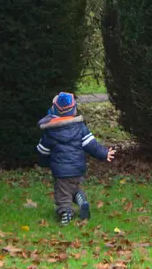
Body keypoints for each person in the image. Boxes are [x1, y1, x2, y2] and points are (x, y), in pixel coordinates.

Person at [36, 92, 115, 225]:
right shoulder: (80, 127)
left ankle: (66, 213)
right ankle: (81, 201)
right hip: (78, 168)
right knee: (72, 187)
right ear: (74, 110)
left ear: (54, 110)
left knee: (63, 194)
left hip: (61, 169)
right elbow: (91, 145)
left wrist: (44, 162)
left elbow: (42, 150)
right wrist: (104, 153)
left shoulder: (50, 132)